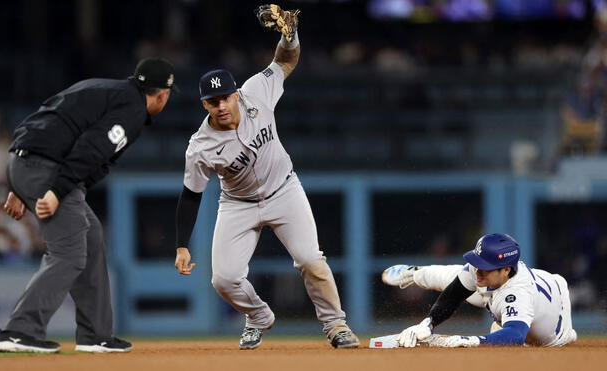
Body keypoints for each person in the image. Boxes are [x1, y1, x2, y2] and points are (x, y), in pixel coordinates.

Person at [173, 4, 359, 350]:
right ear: (204, 105)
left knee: (309, 260)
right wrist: (182, 244)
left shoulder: (255, 91)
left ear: (235, 93)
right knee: (224, 279)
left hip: (284, 190)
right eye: (213, 102)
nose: (222, 106)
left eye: (226, 97)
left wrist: (290, 35)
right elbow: (191, 194)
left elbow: (285, 62)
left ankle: (335, 325)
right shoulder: (200, 147)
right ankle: (258, 315)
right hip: (238, 204)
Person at [0, 58, 178, 353]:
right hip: (48, 169)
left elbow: (40, 118)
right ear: (162, 95)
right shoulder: (131, 108)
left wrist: (17, 183)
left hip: (25, 160)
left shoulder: (102, 88)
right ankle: (19, 331)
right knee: (69, 254)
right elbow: (92, 148)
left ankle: (95, 335)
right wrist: (55, 190)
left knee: (90, 239)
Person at [380, 233, 577, 347]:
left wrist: (470, 340)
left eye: (485, 267)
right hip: (521, 289)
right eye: (477, 262)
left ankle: (566, 334)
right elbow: (455, 293)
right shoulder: (489, 272)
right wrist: (427, 324)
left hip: (555, 329)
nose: (478, 270)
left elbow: (516, 335)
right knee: (455, 277)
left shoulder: (518, 294)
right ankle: (414, 273)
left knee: (503, 335)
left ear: (506, 269)